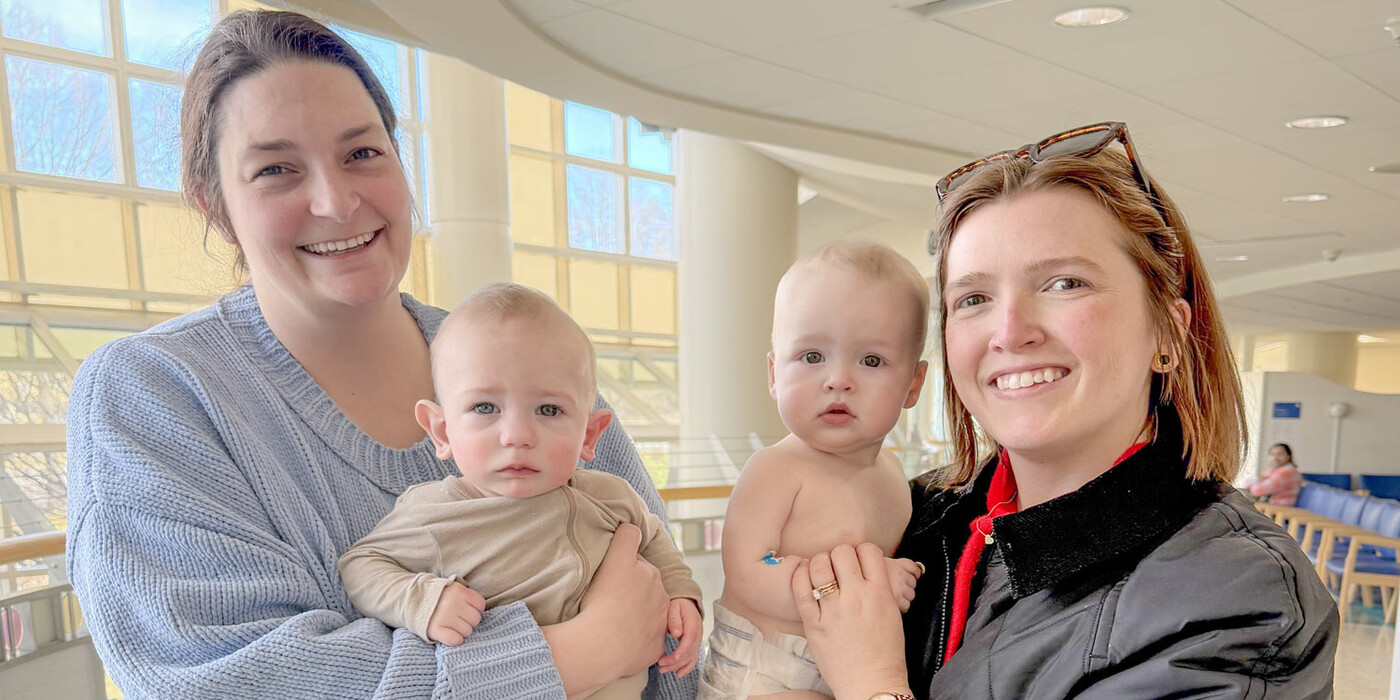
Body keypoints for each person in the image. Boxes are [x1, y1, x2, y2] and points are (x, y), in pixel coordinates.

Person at [64, 10, 691, 699]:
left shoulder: (529, 356)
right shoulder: (154, 393)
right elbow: (223, 680)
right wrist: (576, 654)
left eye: (362, 153)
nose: (336, 201)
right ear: (215, 207)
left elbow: (664, 631)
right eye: (276, 169)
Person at [788, 122, 1338, 699]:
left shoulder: (1236, 600)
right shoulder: (915, 515)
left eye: (1064, 283)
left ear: (1168, 334)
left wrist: (870, 683)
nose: (1009, 331)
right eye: (973, 298)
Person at [339, 283, 704, 697]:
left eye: (548, 410)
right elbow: (362, 566)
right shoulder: (435, 514)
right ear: (442, 431)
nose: (516, 435)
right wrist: (423, 601)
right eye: (485, 408)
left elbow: (654, 539)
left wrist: (681, 597)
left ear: (589, 434)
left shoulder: (610, 496)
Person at [697, 240, 928, 699]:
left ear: (913, 384)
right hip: (760, 669)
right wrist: (870, 585)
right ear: (773, 374)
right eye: (812, 356)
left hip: (846, 667)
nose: (838, 379)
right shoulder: (777, 469)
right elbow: (748, 568)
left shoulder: (894, 478)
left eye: (871, 360)